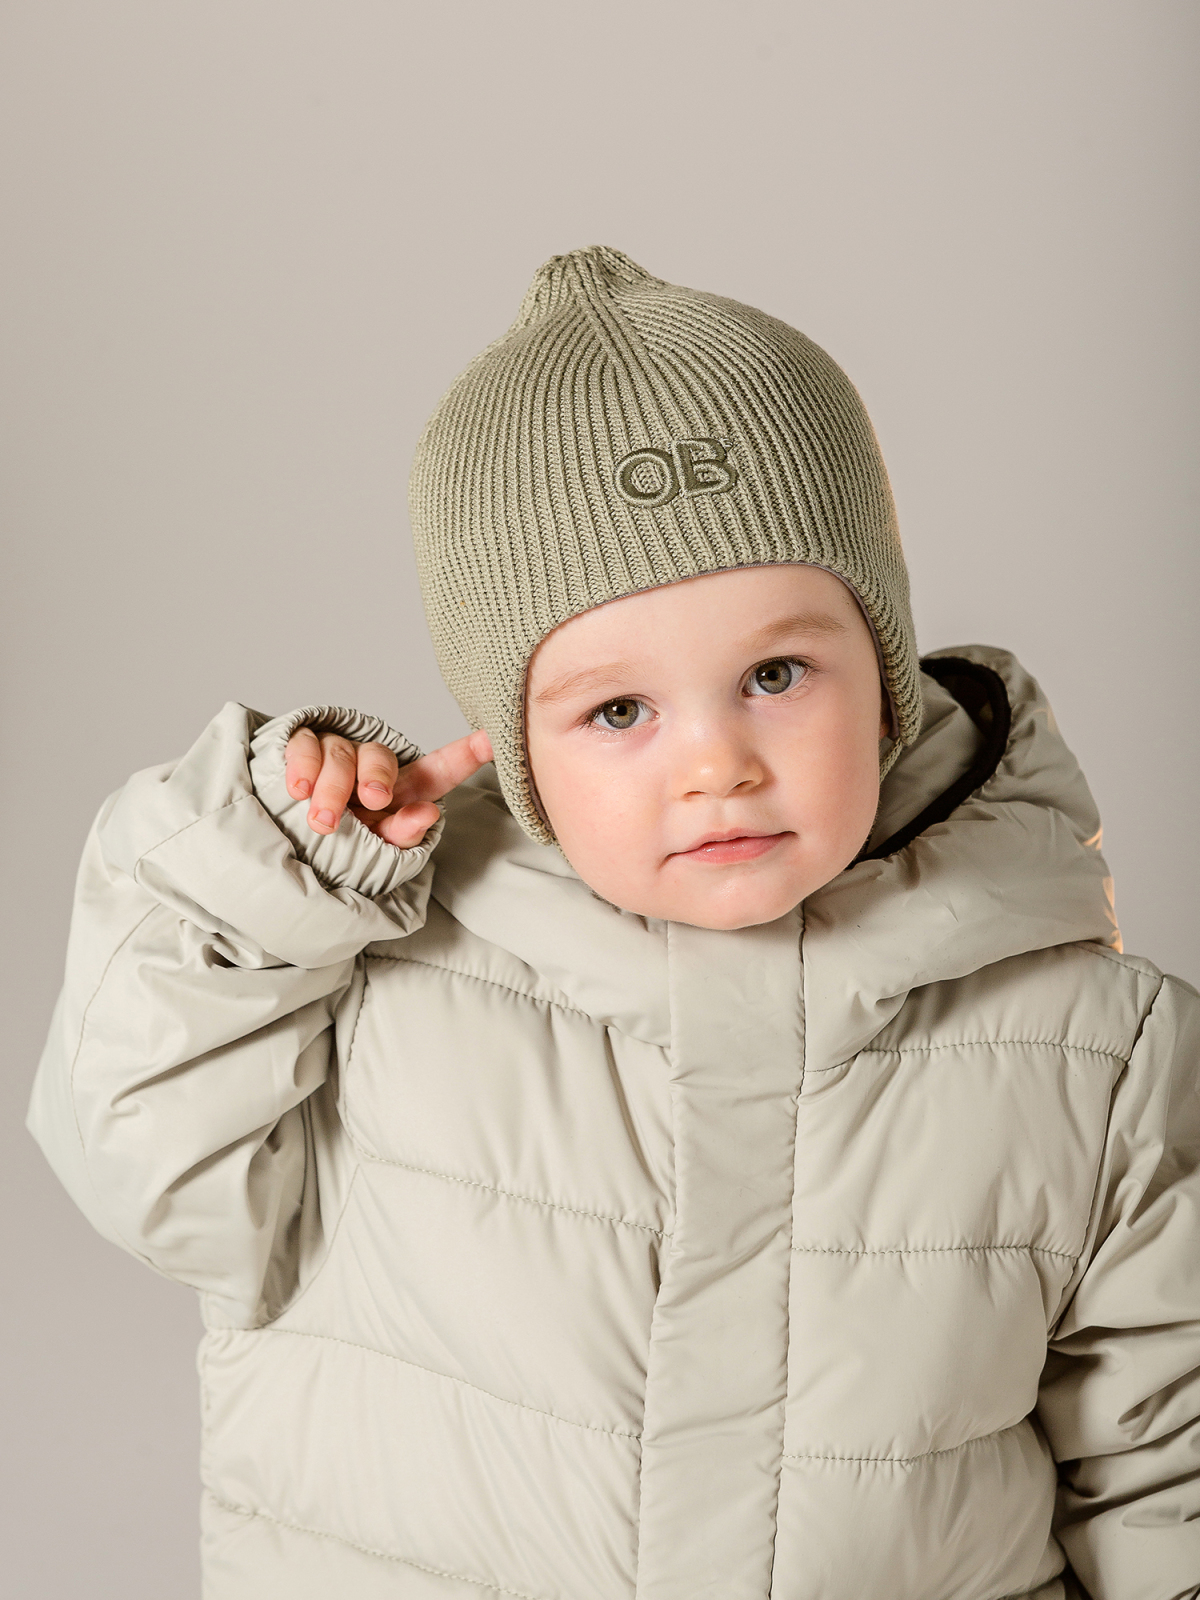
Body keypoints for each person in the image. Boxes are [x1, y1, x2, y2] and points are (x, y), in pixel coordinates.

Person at [28, 246, 1200, 1600]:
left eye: (776, 674)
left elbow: (1165, 1464)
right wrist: (262, 878)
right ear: (516, 743)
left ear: (884, 674)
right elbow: (138, 1160)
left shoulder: (1096, 1051)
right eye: (620, 710)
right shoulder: (371, 973)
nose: (717, 765)